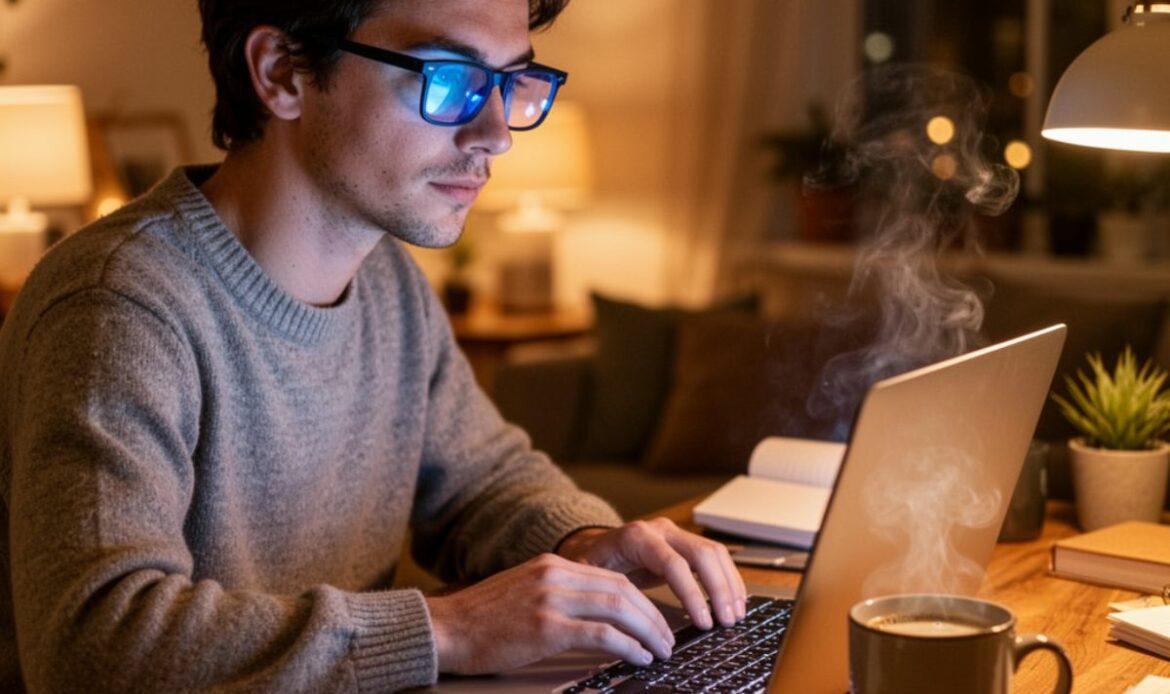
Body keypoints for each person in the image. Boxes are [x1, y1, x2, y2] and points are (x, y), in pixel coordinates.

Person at [0, 0, 746, 691]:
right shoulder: (117, 303)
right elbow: (93, 644)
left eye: (512, 83)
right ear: (282, 73)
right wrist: (448, 629)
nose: (494, 134)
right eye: (451, 79)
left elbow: (482, 484)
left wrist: (587, 543)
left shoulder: (388, 279)